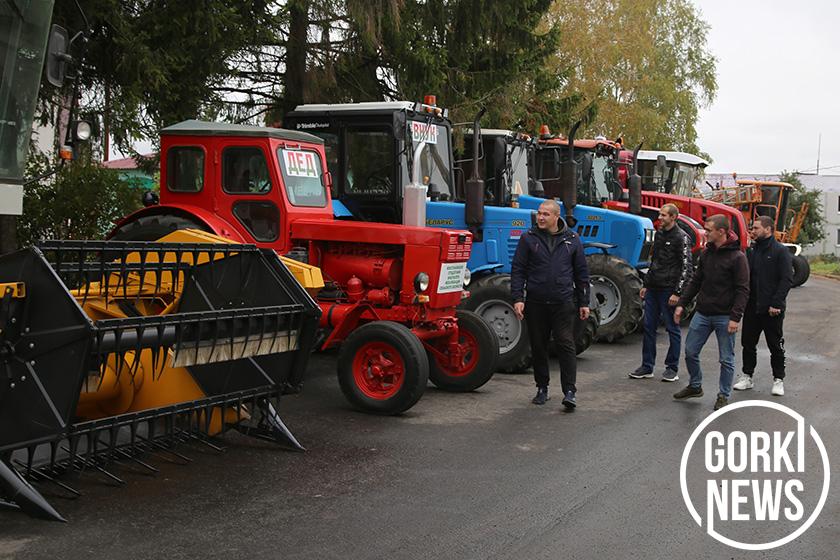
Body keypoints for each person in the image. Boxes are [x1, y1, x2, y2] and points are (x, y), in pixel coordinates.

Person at [511, 200, 591, 410]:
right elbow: (518, 270)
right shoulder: (528, 238)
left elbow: (582, 273)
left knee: (566, 344)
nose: (541, 217)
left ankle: (570, 392)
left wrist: (584, 302)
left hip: (563, 302)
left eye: (546, 214)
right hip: (536, 302)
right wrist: (518, 298)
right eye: (539, 214)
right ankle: (542, 387)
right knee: (538, 345)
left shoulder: (572, 240)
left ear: (557, 217)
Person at [673, 214, 749, 411]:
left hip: (725, 317)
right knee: (690, 351)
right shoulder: (707, 254)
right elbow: (696, 281)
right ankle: (695, 386)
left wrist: (735, 317)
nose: (705, 233)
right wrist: (682, 303)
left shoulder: (738, 258)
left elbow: (743, 290)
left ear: (721, 232)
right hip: (703, 313)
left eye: (708, 230)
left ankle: (723, 395)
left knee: (726, 358)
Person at [629, 203, 692, 382]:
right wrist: (646, 284)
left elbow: (687, 268)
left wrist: (677, 293)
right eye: (660, 215)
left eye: (664, 215)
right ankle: (647, 366)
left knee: (673, 328)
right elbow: (653, 261)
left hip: (669, 291)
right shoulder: (659, 236)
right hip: (653, 289)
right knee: (649, 327)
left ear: (674, 217)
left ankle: (672, 368)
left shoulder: (682, 238)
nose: (660, 218)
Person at [733, 215, 792, 396]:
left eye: (756, 228)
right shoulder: (752, 251)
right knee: (748, 343)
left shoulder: (780, 251)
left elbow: (786, 279)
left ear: (768, 229)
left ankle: (778, 380)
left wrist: (777, 303)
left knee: (775, 344)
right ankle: (747, 376)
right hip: (752, 307)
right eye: (752, 228)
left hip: (772, 309)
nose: (753, 231)